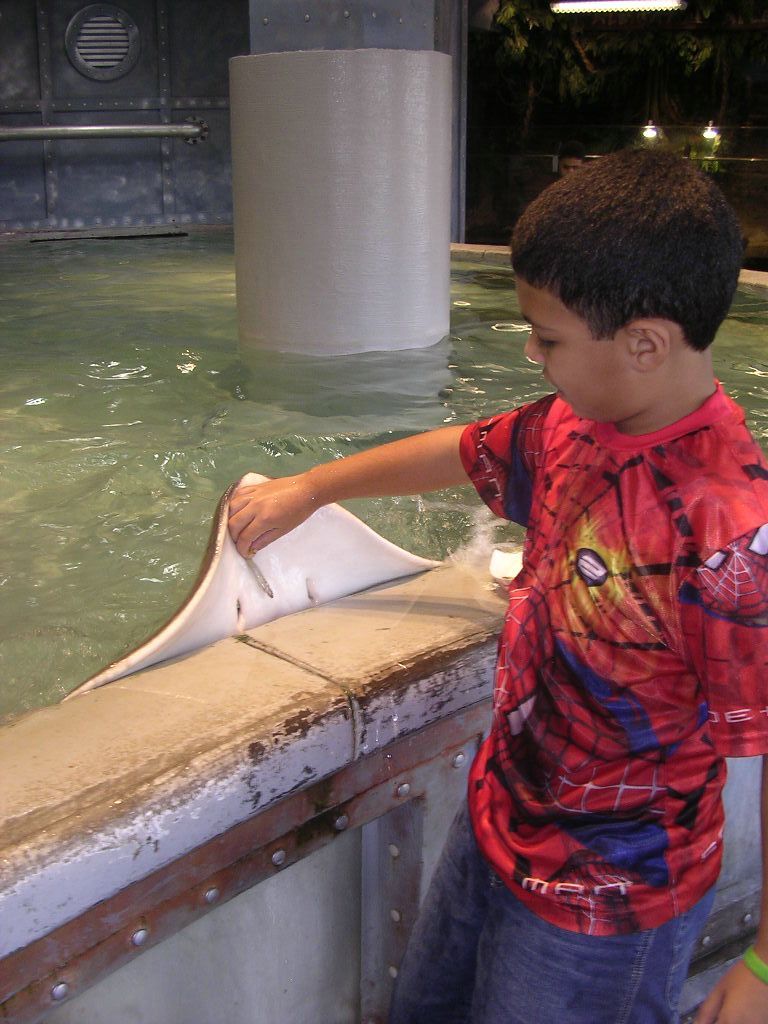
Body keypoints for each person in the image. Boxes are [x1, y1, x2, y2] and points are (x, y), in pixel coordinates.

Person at [228, 149, 768, 1024]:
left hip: (611, 909)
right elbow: (462, 448)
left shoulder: (728, 534)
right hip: (497, 827)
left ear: (644, 344)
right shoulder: (575, 425)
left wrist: (766, 966)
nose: (531, 352)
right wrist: (314, 487)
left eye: (548, 336)